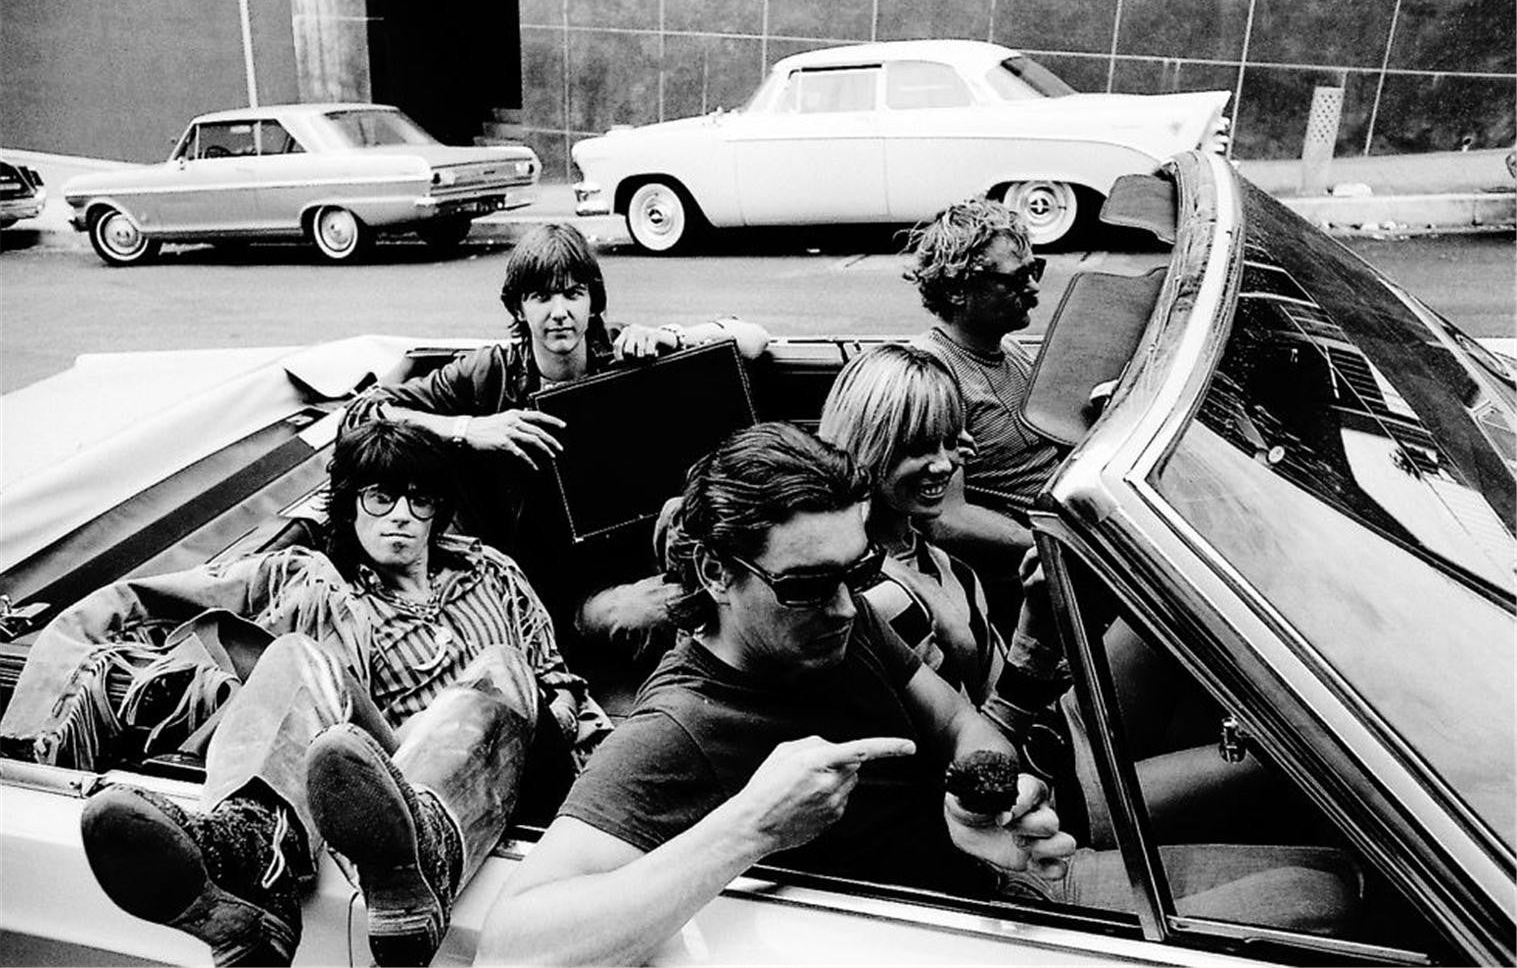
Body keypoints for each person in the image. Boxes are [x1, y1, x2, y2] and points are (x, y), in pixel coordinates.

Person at [474, 423, 1357, 966]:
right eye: (805, 585)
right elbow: (514, 946)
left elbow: (958, 720)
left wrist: (987, 794)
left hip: (1008, 880)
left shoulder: (841, 613)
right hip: (953, 933)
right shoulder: (678, 728)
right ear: (714, 570)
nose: (840, 603)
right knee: (1325, 904)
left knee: (1340, 880)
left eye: (856, 571)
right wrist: (750, 826)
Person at [54, 419, 608, 967]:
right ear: (349, 505)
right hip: (395, 788)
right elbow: (139, 600)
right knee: (293, 653)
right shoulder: (318, 587)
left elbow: (566, 693)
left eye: (420, 500)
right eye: (381, 497)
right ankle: (254, 855)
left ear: (439, 510)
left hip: (521, 772)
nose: (401, 516)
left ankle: (429, 841)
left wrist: (489, 711)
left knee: (499, 667)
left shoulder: (493, 574)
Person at [341, 223, 769, 643]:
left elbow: (752, 339)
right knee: (658, 613)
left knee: (740, 584)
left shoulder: (623, 350)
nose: (559, 312)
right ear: (518, 308)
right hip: (564, 592)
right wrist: (467, 428)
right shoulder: (490, 373)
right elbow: (360, 414)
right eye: (541, 297)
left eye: (573, 294)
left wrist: (674, 338)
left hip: (649, 553)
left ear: (592, 302)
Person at [816, 342, 1004, 704]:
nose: (944, 465)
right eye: (918, 447)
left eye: (950, 442)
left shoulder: (955, 573)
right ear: (867, 447)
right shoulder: (876, 600)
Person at [905, 198, 1064, 628]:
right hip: (1027, 577)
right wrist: (1059, 545)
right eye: (1016, 279)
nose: (1033, 289)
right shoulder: (934, 374)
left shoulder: (1009, 349)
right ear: (957, 288)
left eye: (1036, 270)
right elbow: (946, 520)